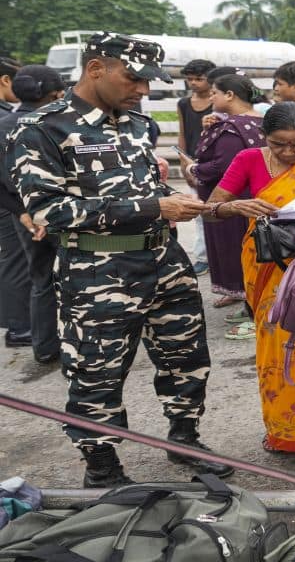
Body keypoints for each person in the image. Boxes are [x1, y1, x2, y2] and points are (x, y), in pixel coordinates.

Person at [8, 32, 231, 486]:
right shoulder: (41, 128)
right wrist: (153, 208)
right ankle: (102, 465)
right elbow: (50, 211)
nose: (143, 90)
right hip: (97, 272)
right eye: (134, 79)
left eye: (149, 81)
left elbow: (140, 190)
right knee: (97, 370)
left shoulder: (132, 123)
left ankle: (184, 439)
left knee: (185, 358)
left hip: (164, 261)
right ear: (96, 69)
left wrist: (182, 202)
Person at [205, 102, 295, 452]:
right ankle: (290, 431)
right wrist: (235, 206)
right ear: (265, 137)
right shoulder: (249, 159)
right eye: (279, 143)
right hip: (266, 266)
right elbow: (212, 208)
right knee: (278, 343)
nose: (289, 152)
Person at [179, 74, 267, 324]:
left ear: (230, 95)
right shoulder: (258, 121)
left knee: (237, 251)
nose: (211, 97)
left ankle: (249, 301)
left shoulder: (231, 128)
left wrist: (192, 169)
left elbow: (223, 167)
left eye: (215, 92)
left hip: (230, 202)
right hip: (252, 196)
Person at [0, 65, 67, 364]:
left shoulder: (3, 124)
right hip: (61, 211)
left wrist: (23, 213)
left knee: (40, 277)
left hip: (22, 215)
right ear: (55, 93)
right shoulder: (58, 123)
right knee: (76, 275)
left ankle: (45, 348)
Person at [0, 56, 32, 349]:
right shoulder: (4, 118)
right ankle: (19, 326)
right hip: (8, 200)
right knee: (16, 260)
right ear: (5, 81)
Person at [177, 59, 216, 276]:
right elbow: (183, 134)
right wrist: (184, 164)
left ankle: (213, 256)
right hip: (193, 161)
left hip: (213, 161)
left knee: (215, 210)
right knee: (198, 211)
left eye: (198, 79)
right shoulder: (184, 103)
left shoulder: (218, 103)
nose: (193, 83)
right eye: (189, 79)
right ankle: (202, 256)